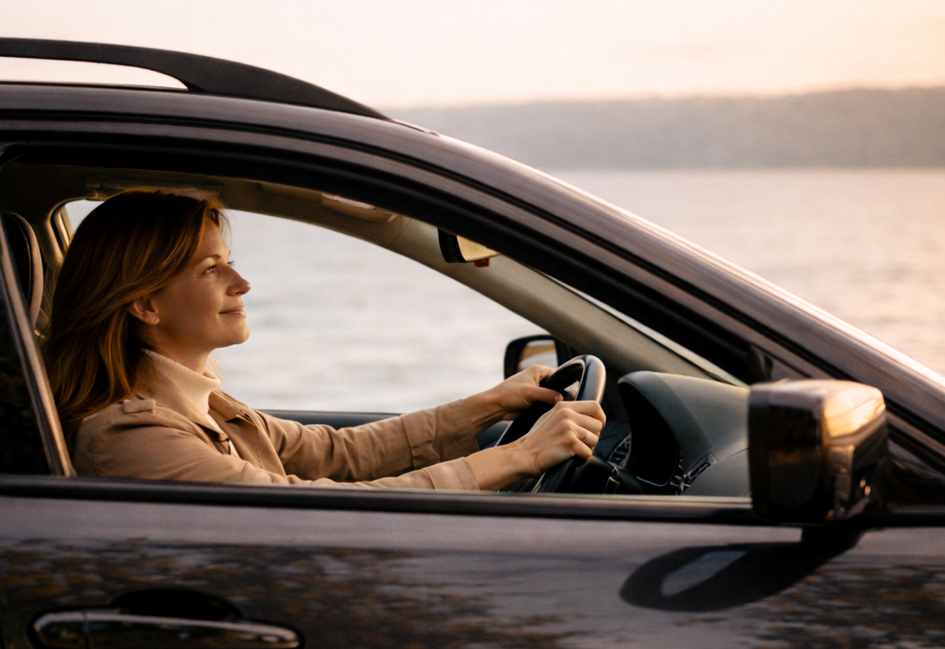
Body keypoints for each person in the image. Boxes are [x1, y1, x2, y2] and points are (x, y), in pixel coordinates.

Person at [44, 190, 605, 489]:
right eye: (210, 270)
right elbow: (310, 510)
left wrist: (489, 405)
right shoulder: (133, 433)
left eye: (229, 263)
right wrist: (520, 455)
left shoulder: (204, 405)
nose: (242, 283)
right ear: (144, 304)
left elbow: (336, 453)